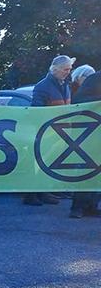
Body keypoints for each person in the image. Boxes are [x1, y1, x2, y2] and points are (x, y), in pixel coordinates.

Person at [25, 55, 74, 206]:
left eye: (70, 69)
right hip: (45, 132)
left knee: (49, 163)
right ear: (55, 69)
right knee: (38, 163)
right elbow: (36, 110)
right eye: (66, 69)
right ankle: (30, 195)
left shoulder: (64, 85)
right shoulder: (43, 86)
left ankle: (44, 191)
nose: (68, 72)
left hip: (60, 132)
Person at [69, 69, 101, 218]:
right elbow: (79, 102)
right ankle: (77, 207)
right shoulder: (94, 79)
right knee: (86, 170)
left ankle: (91, 206)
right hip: (88, 133)